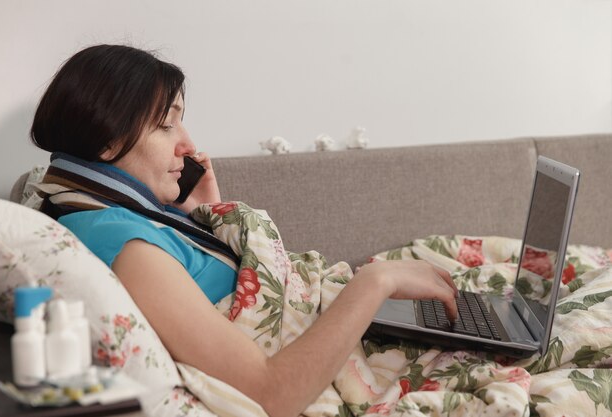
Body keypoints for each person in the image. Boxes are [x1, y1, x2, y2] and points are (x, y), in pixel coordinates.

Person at [31, 44, 458, 417]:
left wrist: (204, 215)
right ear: (107, 140)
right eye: (166, 124)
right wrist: (375, 282)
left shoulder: (127, 216)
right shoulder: (125, 244)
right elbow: (271, 394)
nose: (187, 144)